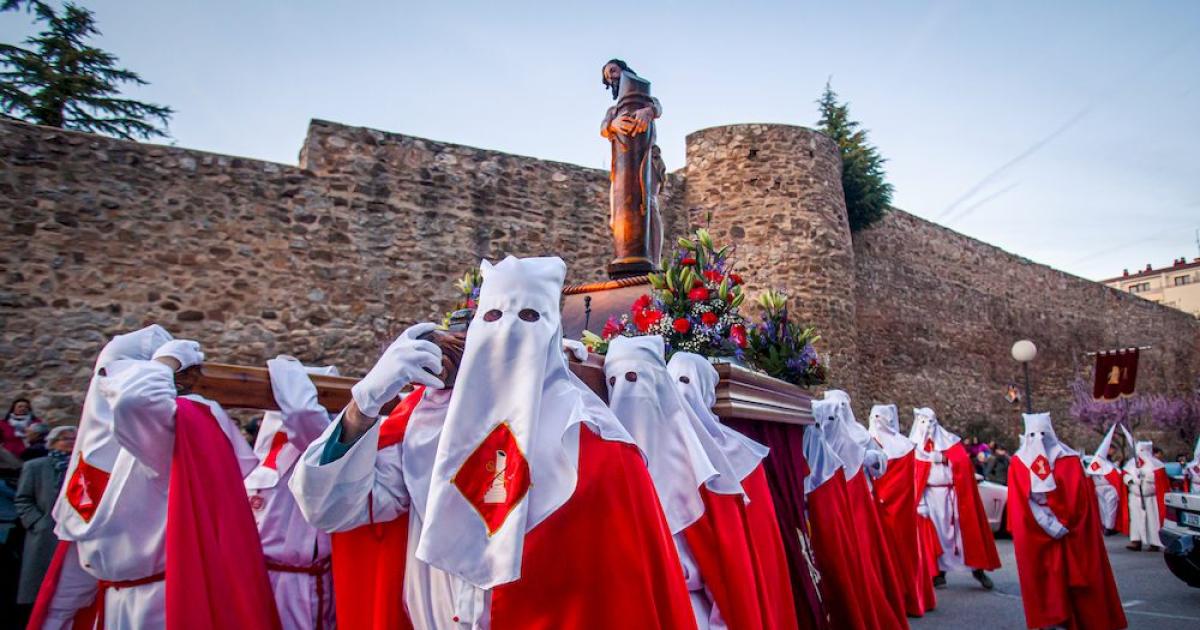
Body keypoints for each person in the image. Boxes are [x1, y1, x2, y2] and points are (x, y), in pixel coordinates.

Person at [294, 256, 696, 629]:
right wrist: (364, 405)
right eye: (493, 317)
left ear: (552, 335)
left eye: (527, 318)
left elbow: (627, 598)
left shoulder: (599, 447)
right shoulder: (426, 426)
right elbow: (330, 508)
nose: (508, 333)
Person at [27, 325, 279, 630]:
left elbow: (137, 401)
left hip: (161, 603)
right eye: (105, 376)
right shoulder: (92, 450)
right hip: (108, 603)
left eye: (119, 376)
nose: (109, 386)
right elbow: (81, 556)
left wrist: (167, 360)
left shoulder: (163, 438)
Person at [607, 336, 792, 630]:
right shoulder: (608, 459)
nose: (626, 395)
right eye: (613, 382)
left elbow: (733, 569)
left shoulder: (704, 468)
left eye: (634, 378)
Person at [667, 352, 799, 630]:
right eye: (672, 383)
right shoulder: (666, 451)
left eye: (686, 382)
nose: (680, 394)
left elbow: (750, 551)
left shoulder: (741, 454)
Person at [1007, 412, 1126, 630]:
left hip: (1070, 531)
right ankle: (1052, 619)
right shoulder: (1019, 462)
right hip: (1038, 531)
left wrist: (1064, 521)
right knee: (1046, 581)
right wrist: (1047, 523)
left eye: (1043, 434)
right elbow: (1021, 500)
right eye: (1033, 435)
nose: (1039, 440)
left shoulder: (1068, 460)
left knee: (1078, 579)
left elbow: (1078, 497)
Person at [247, 357, 338, 630]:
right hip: (257, 578)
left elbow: (302, 414)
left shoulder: (317, 444)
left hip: (298, 586)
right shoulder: (264, 448)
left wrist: (282, 366)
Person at [816, 391, 906, 626]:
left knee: (864, 556)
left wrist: (872, 459)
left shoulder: (861, 436)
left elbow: (880, 467)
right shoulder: (819, 437)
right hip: (834, 503)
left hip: (860, 500)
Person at [801, 413, 889, 630]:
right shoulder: (815, 444)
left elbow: (879, 467)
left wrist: (869, 459)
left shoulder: (857, 440)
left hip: (856, 507)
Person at [910, 407, 1000, 590]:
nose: (927, 427)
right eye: (923, 422)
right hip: (930, 497)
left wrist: (944, 458)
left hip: (954, 496)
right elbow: (913, 476)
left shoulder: (950, 442)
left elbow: (963, 463)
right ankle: (938, 574)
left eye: (931, 422)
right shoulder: (914, 447)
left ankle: (978, 569)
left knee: (965, 533)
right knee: (936, 536)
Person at [868, 403, 934, 617]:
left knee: (901, 555)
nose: (878, 422)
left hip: (896, 511)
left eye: (880, 418)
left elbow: (903, 484)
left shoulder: (904, 447)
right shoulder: (867, 441)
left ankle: (906, 598)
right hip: (879, 509)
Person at [14, 426, 75, 622]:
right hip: (45, 533)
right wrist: (37, 523)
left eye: (75, 439)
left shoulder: (82, 466)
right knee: (40, 586)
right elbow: (23, 498)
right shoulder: (35, 466)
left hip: (73, 533)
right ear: (53, 442)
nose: (72, 443)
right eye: (66, 439)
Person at [1123, 440, 1167, 551]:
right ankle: (1136, 541)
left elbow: (1158, 478)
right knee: (1135, 519)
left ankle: (1154, 543)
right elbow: (1125, 475)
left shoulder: (1156, 464)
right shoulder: (1131, 463)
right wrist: (1132, 480)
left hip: (1150, 497)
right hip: (1135, 496)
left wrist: (1144, 476)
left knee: (1152, 520)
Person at [1085, 424, 1128, 536]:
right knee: (1106, 508)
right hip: (1103, 488)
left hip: (1106, 487)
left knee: (1109, 508)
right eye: (1112, 449)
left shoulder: (1106, 462)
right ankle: (1107, 526)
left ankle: (1109, 526)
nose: (1113, 451)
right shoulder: (1100, 461)